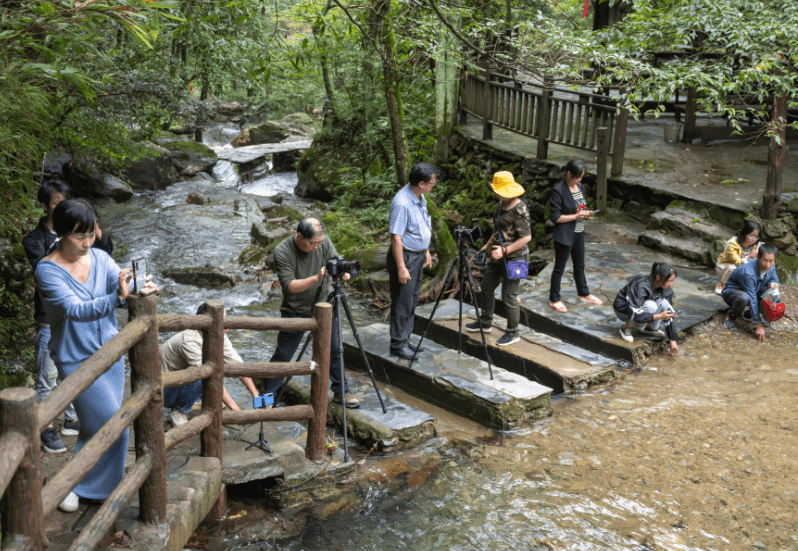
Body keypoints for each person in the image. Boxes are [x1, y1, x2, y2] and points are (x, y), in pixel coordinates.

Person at [34, 198, 157, 513]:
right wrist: (117, 296)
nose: (87, 242)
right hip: (75, 357)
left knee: (97, 424)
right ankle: (83, 485)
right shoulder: (47, 270)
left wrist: (136, 285)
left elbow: (120, 283)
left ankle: (80, 484)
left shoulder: (101, 257)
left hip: (110, 353)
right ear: (62, 233)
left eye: (90, 234)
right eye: (79, 236)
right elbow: (74, 310)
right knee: (112, 422)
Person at [23, 180, 114, 454]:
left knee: (83, 383)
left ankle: (72, 417)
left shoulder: (87, 239)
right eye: (55, 201)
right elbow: (48, 269)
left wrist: (94, 233)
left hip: (91, 330)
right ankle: (45, 425)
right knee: (48, 376)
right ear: (44, 205)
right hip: (51, 322)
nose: (61, 204)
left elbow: (104, 253)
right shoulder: (36, 240)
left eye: (65, 199)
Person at [260, 218, 359, 408]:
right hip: (296, 310)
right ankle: (264, 400)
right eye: (313, 243)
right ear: (300, 236)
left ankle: (342, 392)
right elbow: (290, 287)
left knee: (334, 350)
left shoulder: (323, 242)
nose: (317, 247)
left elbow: (335, 258)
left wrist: (343, 270)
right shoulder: (283, 251)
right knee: (283, 356)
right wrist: (316, 278)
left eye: (319, 243)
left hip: (325, 306)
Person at [160, 305, 260, 426]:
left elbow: (237, 364)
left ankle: (198, 397)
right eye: (223, 321)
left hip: (176, 380)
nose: (227, 327)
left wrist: (256, 395)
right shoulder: (189, 341)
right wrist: (236, 411)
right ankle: (178, 411)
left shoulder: (217, 333)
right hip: (162, 390)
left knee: (213, 368)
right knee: (202, 372)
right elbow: (209, 376)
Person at [465, 172, 531, 346]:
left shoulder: (520, 209)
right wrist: (488, 245)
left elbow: (526, 238)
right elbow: (498, 230)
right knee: (486, 287)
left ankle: (513, 332)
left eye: (498, 190)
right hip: (497, 255)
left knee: (509, 295)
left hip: (517, 258)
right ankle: (485, 322)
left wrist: (505, 250)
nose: (495, 194)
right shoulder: (501, 205)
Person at [387, 162, 439, 360]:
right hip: (405, 257)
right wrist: (401, 267)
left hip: (417, 255)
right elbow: (396, 237)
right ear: (421, 183)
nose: (434, 186)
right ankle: (397, 344)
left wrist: (425, 250)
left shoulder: (419, 197)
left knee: (412, 299)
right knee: (402, 301)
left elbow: (421, 225)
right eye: (432, 183)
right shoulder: (402, 203)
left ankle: (405, 338)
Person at [548, 159, 603, 313]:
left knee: (579, 265)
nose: (579, 180)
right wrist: (576, 216)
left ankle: (584, 293)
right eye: (577, 177)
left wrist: (585, 214)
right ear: (568, 174)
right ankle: (554, 299)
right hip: (564, 235)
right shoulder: (558, 190)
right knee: (559, 268)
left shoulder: (581, 187)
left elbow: (580, 208)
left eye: (581, 177)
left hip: (578, 232)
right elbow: (556, 217)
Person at [613, 262, 679, 356]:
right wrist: (658, 316)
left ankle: (648, 327)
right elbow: (634, 314)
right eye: (669, 281)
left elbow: (669, 314)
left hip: (641, 311)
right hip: (624, 311)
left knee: (664, 303)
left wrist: (673, 341)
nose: (670, 284)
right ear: (658, 277)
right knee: (651, 306)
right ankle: (626, 327)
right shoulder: (640, 285)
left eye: (672, 281)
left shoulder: (667, 290)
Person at [721, 243, 780, 341]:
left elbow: (774, 278)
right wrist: (759, 325)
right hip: (733, 294)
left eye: (771, 261)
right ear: (758, 257)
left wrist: (773, 283)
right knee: (744, 297)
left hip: (752, 289)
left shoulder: (771, 266)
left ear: (775, 259)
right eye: (764, 260)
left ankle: (749, 313)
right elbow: (752, 298)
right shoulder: (748, 272)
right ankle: (731, 315)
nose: (767, 264)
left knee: (769, 291)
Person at [714, 220, 761, 295]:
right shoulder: (732, 243)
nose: (753, 239)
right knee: (733, 268)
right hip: (724, 269)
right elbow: (738, 262)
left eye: (756, 236)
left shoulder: (754, 247)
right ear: (745, 233)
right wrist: (750, 257)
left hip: (741, 270)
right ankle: (721, 285)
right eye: (751, 235)